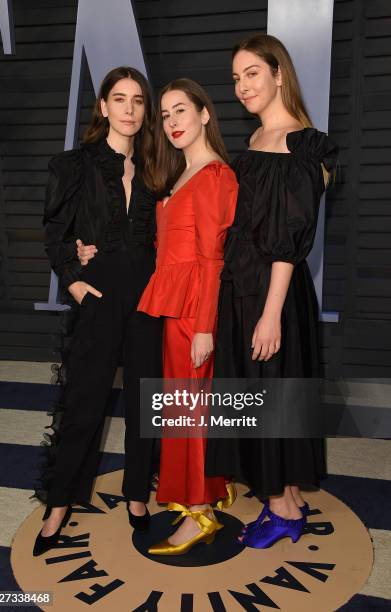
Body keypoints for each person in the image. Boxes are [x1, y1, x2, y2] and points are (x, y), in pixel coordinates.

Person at [205, 34, 338, 549]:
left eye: (252, 74)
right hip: (244, 290)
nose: (241, 86)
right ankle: (287, 492)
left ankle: (283, 510)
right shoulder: (254, 143)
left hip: (272, 293)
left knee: (271, 395)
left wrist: (271, 313)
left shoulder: (302, 143)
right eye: (236, 78)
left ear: (279, 73)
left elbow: (288, 241)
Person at [33, 67, 163, 557]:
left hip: (150, 298)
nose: (129, 109)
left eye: (138, 101)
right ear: (103, 107)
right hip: (101, 296)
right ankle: (59, 505)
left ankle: (136, 497)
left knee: (144, 403)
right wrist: (75, 279)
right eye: (120, 99)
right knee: (84, 403)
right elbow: (54, 231)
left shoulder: (154, 167)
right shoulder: (77, 164)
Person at [136, 78, 238, 555]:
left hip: (193, 310)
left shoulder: (215, 175)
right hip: (174, 307)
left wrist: (203, 326)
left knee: (190, 408)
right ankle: (208, 488)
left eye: (181, 110)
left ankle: (200, 513)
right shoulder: (182, 174)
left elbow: (214, 259)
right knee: (183, 406)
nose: (172, 122)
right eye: (165, 114)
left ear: (204, 114)